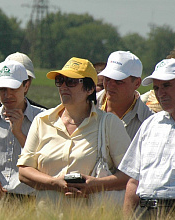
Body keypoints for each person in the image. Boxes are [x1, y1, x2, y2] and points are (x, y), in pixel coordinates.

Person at [17, 57, 131, 209]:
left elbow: (129, 174)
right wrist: (54, 183)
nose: (63, 86)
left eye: (71, 81)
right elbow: (24, 171)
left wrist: (95, 185)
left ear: (90, 89)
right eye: (60, 80)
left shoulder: (109, 123)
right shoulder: (42, 121)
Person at [0, 60, 45, 201]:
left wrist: (18, 133)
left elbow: (46, 164)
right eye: (2, 89)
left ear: (26, 86)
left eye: (13, 88)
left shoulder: (44, 119)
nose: (7, 95)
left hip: (32, 200)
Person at [119, 59, 175, 219]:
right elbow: (133, 180)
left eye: (166, 85)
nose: (160, 93)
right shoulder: (150, 124)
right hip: (145, 211)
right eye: (156, 88)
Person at [97, 51, 153, 139]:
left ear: (137, 83)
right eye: (107, 79)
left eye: (118, 81)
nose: (110, 85)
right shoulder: (85, 106)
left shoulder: (149, 121)